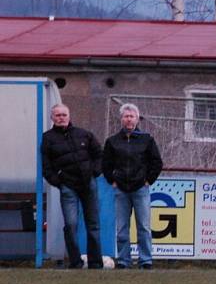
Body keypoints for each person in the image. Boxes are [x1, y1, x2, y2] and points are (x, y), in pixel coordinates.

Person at [40, 103, 104, 269]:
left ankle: (96, 263)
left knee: (94, 224)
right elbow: (46, 166)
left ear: (69, 116)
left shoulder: (84, 134)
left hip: (88, 184)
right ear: (52, 118)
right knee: (71, 225)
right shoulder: (47, 138)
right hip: (67, 186)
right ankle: (75, 262)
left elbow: (99, 155)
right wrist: (59, 181)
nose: (61, 118)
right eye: (57, 115)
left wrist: (94, 172)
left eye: (64, 114)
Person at [102, 103, 163, 269]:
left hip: (140, 189)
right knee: (122, 228)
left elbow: (156, 162)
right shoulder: (112, 141)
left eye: (132, 116)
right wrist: (112, 180)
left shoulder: (147, 140)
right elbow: (105, 164)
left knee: (143, 227)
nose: (129, 119)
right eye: (126, 116)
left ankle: (145, 260)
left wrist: (148, 180)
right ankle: (123, 260)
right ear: (121, 119)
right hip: (121, 190)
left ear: (137, 119)